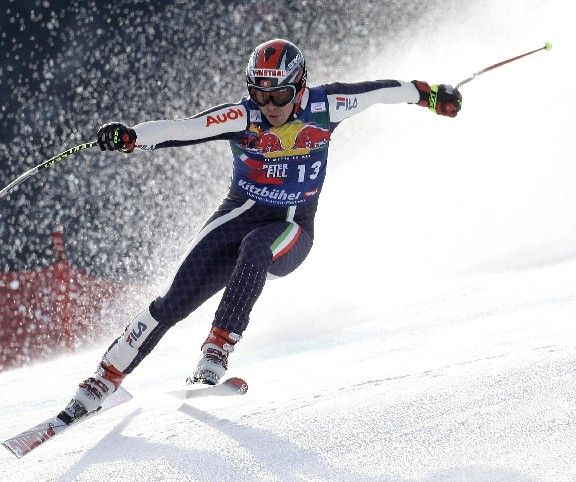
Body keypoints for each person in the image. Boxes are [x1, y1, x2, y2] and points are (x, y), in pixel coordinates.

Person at [60, 38, 461, 421]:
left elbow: (385, 91)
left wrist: (431, 95)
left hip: (291, 228)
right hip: (238, 213)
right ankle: (105, 379)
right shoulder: (244, 116)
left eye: (279, 96)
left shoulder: (328, 105)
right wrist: (132, 137)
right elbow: (184, 128)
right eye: (259, 94)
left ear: (299, 88)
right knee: (175, 301)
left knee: (256, 246)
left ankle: (216, 350)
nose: (269, 106)